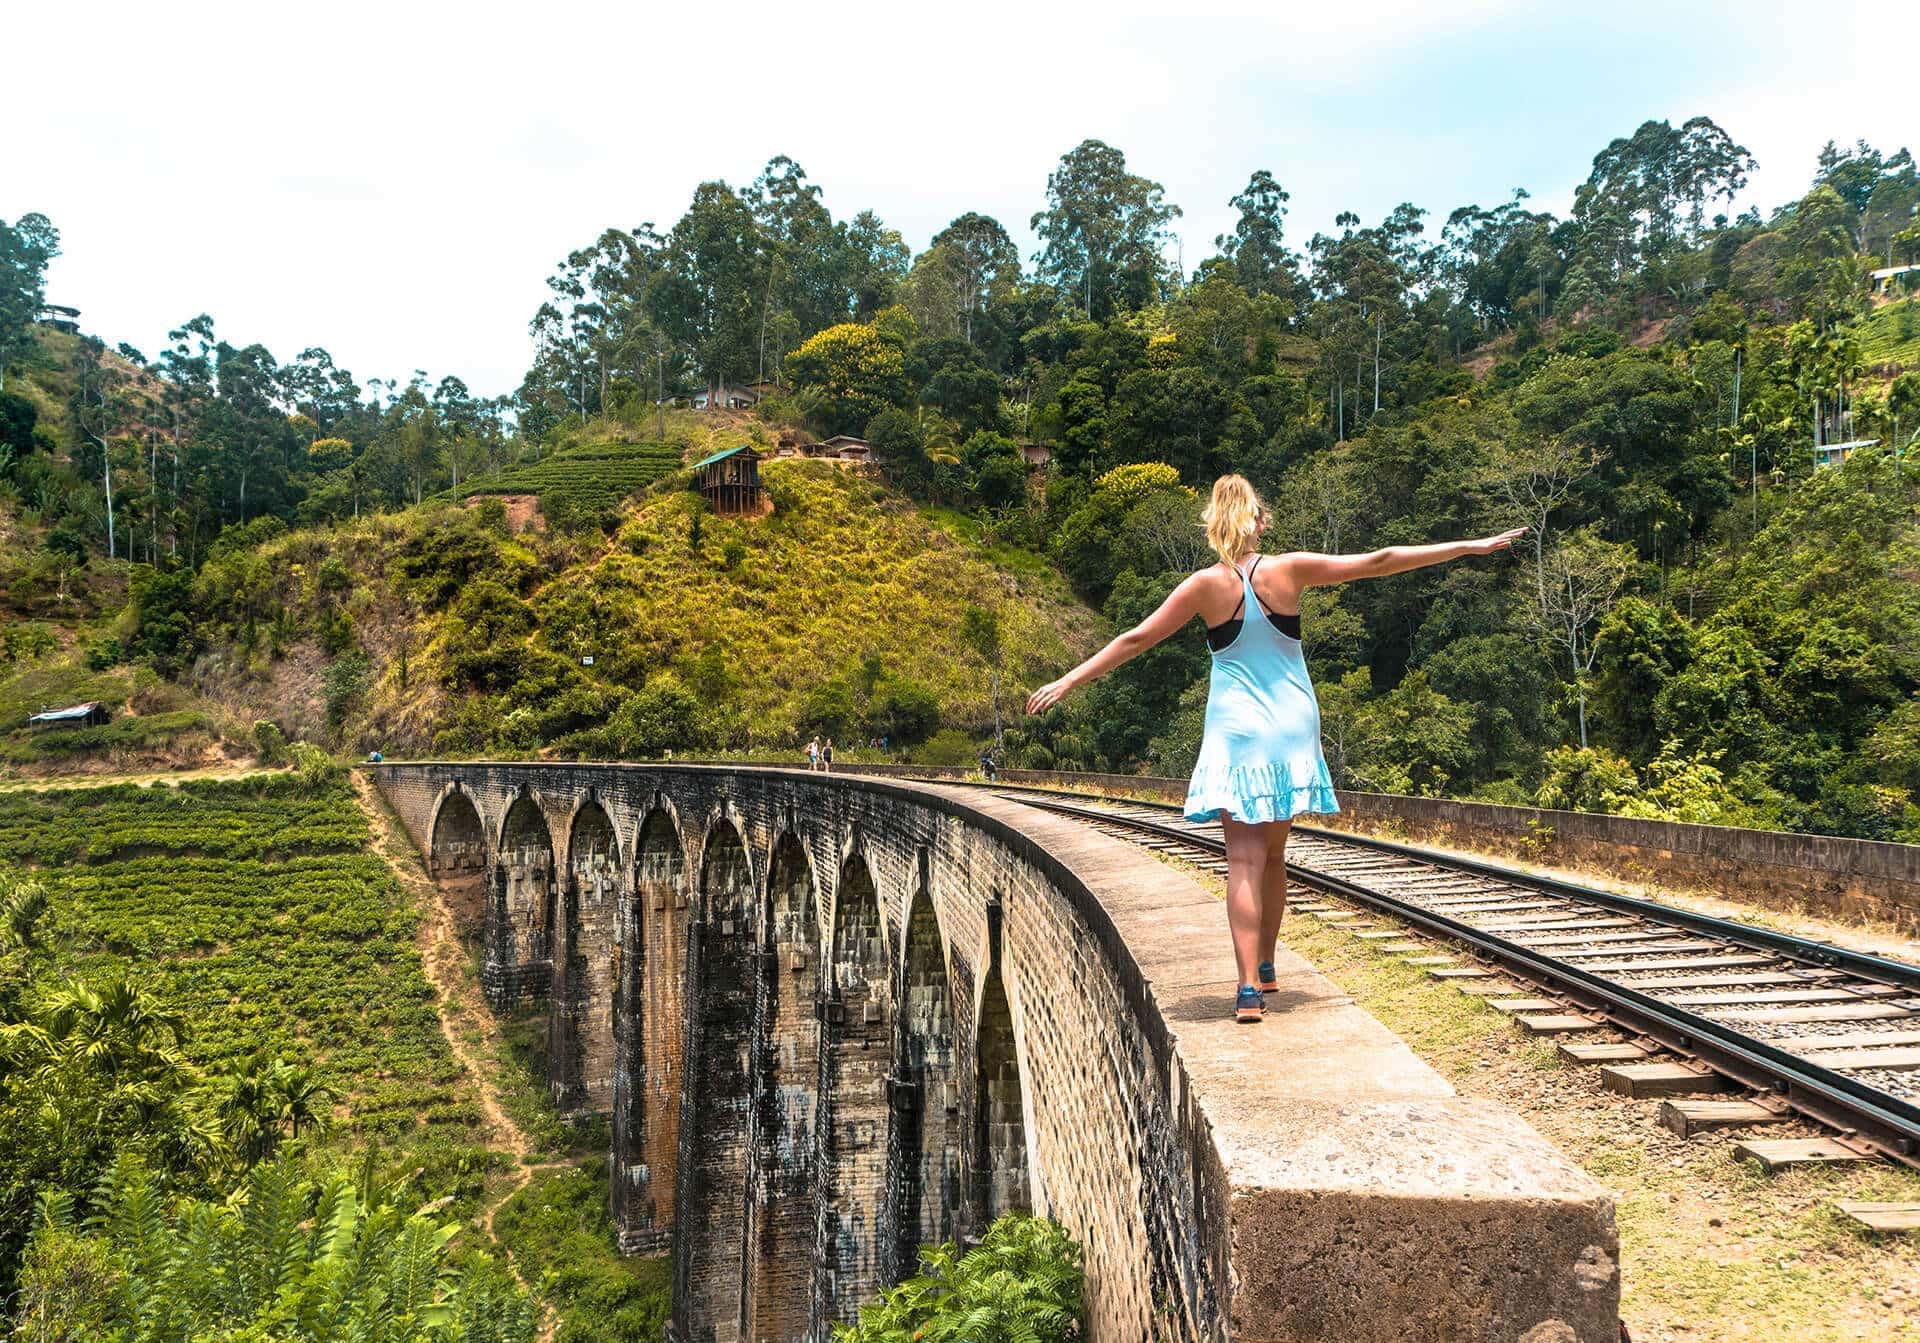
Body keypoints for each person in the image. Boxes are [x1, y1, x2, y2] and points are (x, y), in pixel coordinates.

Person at [1026, 474, 1522, 1024]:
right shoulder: (1289, 570)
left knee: (1242, 859)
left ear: (1215, 525)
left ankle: (1245, 990)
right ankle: (1266, 962)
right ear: (1257, 521)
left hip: (1236, 731)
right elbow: (1380, 559)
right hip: (1291, 726)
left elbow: (1136, 639)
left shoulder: (1203, 586)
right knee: (1275, 856)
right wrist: (1468, 546)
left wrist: (1068, 681)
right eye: (1264, 515)